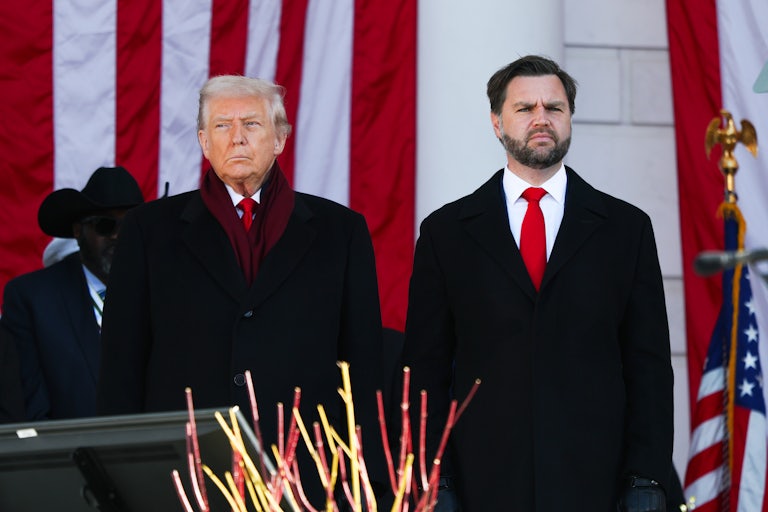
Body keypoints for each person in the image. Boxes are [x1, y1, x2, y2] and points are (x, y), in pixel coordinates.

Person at [401, 55, 673, 511]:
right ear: (496, 122)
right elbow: (424, 371)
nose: (541, 119)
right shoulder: (446, 232)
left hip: (596, 484)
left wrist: (646, 479)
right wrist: (434, 479)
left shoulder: (626, 229)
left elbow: (648, 368)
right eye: (525, 108)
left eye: (555, 107)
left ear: (570, 118)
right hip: (479, 486)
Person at [96, 76, 385, 505]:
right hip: (182, 472)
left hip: (306, 473)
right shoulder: (148, 230)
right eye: (221, 126)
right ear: (202, 141)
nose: (236, 138)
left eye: (251, 124)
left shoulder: (341, 231)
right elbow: (121, 361)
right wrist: (120, 474)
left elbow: (362, 365)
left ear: (280, 138)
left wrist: (366, 478)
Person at [0, 166, 145, 420]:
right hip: (70, 454)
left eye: (129, 226)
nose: (118, 235)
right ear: (78, 231)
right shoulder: (33, 298)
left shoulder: (162, 289)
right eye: (105, 225)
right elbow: (30, 409)